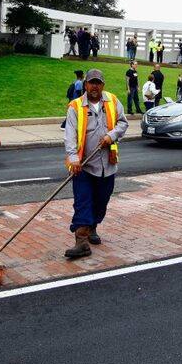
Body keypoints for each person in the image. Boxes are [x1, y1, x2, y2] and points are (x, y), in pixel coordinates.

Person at [63, 68, 128, 258]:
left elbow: (123, 123)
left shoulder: (113, 101)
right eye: (91, 82)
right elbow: (69, 136)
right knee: (83, 201)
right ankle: (81, 241)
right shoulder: (75, 107)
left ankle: (92, 226)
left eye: (98, 83)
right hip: (83, 166)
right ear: (85, 85)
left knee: (101, 201)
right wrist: (74, 159)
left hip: (106, 165)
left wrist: (111, 135)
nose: (94, 86)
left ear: (103, 85)